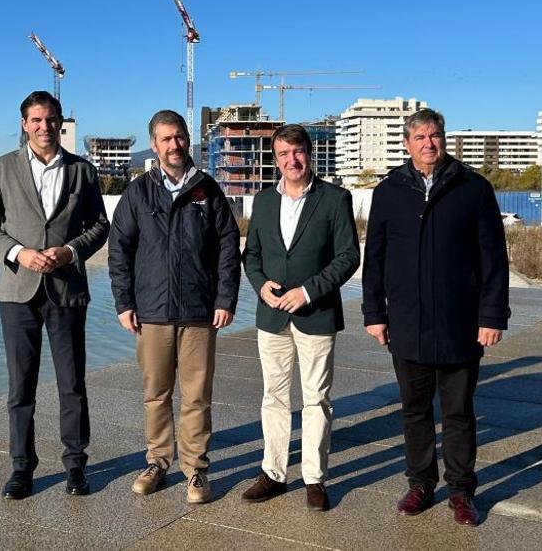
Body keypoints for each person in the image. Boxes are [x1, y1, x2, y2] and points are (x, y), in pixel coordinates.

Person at [361, 108, 509, 525]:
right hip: (407, 323)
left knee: (459, 413)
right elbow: (375, 258)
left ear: (444, 138)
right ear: (407, 144)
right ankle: (421, 484)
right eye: (420, 137)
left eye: (435, 135)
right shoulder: (388, 191)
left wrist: (492, 316)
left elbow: (494, 258)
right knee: (414, 411)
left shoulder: (473, 188)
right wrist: (374, 313)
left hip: (460, 322)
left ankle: (461, 491)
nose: (429, 143)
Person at [0, 91, 110, 500]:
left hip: (66, 290)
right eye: (36, 120)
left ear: (60, 122)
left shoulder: (82, 171)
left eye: (50, 119)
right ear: (24, 124)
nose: (44, 126)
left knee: (72, 384)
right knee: (21, 388)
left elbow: (99, 226)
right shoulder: (3, 168)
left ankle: (75, 466)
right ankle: (22, 468)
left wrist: (69, 251)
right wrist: (20, 253)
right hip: (18, 291)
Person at [107, 109, 241, 505]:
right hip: (152, 312)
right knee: (156, 394)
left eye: (179, 136)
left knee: (197, 396)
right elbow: (119, 250)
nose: (174, 145)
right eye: (166, 139)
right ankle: (157, 462)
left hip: (199, 311)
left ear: (187, 138)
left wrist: (225, 298)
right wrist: (124, 302)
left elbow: (228, 248)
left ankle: (196, 468)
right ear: (154, 145)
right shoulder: (138, 193)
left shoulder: (207, 190)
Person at [240, 124, 360, 511]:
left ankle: (314, 478)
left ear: (310, 153)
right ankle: (273, 473)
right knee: (273, 397)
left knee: (316, 399)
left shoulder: (335, 198)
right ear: (275, 159)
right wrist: (260, 285)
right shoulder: (263, 201)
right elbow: (252, 255)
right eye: (283, 154)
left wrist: (307, 291)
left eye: (298, 152)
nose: (292, 160)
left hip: (316, 314)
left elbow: (348, 256)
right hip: (271, 315)